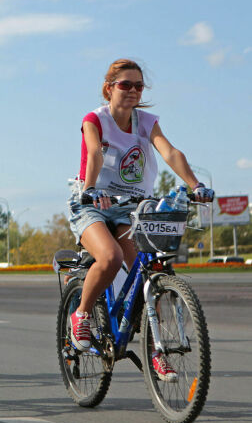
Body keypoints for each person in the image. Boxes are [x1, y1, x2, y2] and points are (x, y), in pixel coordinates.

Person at [67, 58, 214, 383]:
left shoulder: (146, 122)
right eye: (125, 85)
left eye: (138, 86)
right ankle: (82, 314)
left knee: (147, 276)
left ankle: (156, 352)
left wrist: (196, 185)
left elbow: (170, 152)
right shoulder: (95, 119)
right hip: (91, 202)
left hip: (128, 207)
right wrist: (90, 190)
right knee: (110, 257)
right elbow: (94, 153)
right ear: (109, 88)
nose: (133, 91)